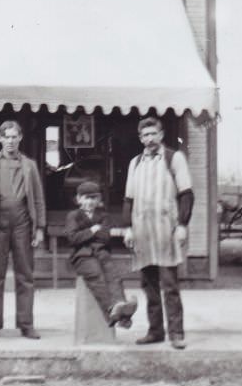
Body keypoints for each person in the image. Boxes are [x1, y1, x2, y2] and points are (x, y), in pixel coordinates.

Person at [122, 116, 194, 350]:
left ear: (161, 135)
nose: (149, 139)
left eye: (153, 134)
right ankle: (155, 331)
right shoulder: (135, 163)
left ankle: (176, 333)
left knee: (169, 284)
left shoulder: (174, 158)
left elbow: (187, 194)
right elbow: (128, 199)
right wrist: (128, 228)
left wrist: (182, 225)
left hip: (166, 230)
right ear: (140, 138)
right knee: (148, 284)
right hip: (142, 231)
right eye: (145, 135)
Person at [0, 120, 46, 339]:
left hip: (22, 225)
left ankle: (26, 323)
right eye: (6, 137)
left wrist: (40, 228)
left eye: (14, 136)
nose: (10, 141)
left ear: (20, 138)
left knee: (25, 275)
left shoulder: (30, 165)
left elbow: (37, 199)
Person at [65, 181, 138, 329]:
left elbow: (105, 237)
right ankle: (114, 312)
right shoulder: (73, 216)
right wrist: (93, 230)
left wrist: (87, 234)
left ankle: (121, 306)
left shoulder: (103, 216)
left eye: (94, 198)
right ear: (78, 199)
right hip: (82, 256)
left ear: (99, 200)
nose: (90, 202)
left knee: (113, 275)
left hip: (101, 252)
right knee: (96, 275)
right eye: (86, 198)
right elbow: (72, 238)